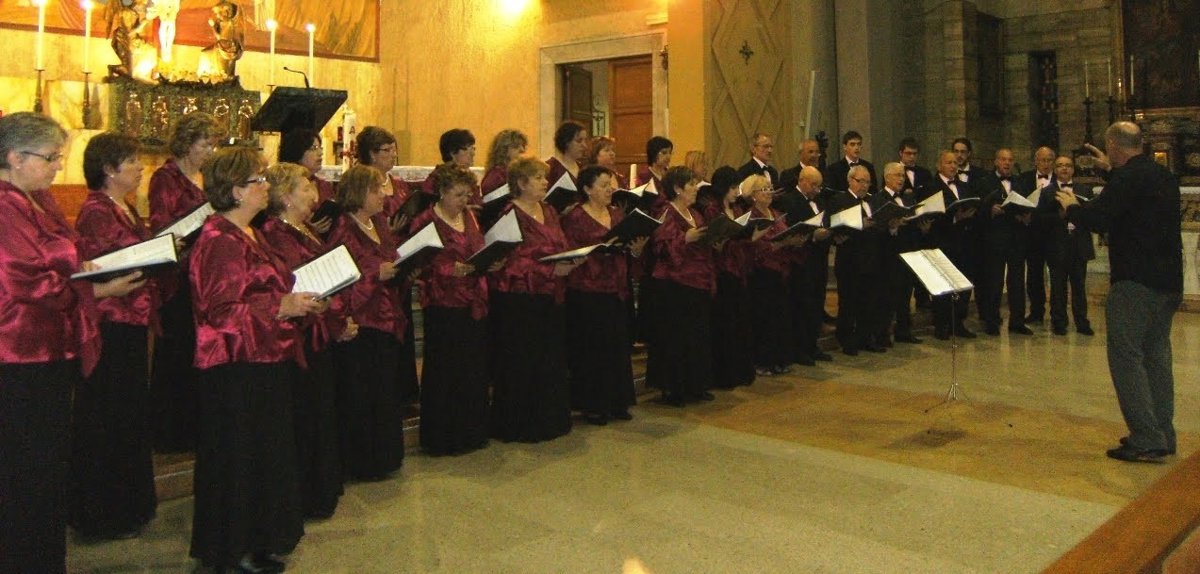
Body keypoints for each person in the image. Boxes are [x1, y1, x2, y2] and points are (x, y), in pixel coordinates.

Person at [0, 113, 145, 573]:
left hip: (51, 347)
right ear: (14, 157)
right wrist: (96, 291)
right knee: (26, 468)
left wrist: (85, 272)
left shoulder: (36, 199)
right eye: (49, 158)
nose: (58, 167)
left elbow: (66, 253)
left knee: (45, 467)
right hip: (21, 353)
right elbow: (21, 280)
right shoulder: (4, 206)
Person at [188, 146, 325, 573]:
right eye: (258, 180)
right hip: (234, 365)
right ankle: (234, 548)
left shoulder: (250, 232)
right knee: (239, 456)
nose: (266, 187)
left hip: (265, 356)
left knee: (265, 454)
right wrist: (282, 306)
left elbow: (268, 288)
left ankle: (261, 538)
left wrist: (299, 300)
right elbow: (221, 312)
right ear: (235, 190)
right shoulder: (218, 239)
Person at [1056, 121, 1182, 463]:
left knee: (1126, 358)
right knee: (1156, 357)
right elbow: (1134, 199)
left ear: (1113, 146)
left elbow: (1100, 218)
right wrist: (1111, 172)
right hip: (1168, 283)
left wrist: (1071, 206)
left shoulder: (1126, 179)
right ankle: (1163, 433)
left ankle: (1146, 437)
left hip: (1135, 282)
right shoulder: (1162, 175)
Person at [69, 133, 159, 541]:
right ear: (108, 169)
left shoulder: (124, 206)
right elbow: (92, 271)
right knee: (107, 416)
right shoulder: (96, 211)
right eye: (132, 161)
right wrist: (110, 287)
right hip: (109, 323)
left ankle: (129, 506)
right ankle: (101, 513)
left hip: (132, 319)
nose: (140, 167)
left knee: (129, 413)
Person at [260, 162, 357, 519]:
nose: (313, 194)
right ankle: (305, 493)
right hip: (298, 338)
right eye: (305, 188)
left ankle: (321, 487)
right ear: (285, 197)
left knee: (320, 411)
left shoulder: (303, 228)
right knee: (304, 413)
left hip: (317, 330)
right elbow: (290, 283)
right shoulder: (276, 234)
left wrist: (336, 312)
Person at [327, 165, 410, 479]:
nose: (383, 195)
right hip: (362, 319)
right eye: (375, 190)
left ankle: (385, 457)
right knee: (362, 394)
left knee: (384, 391)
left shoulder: (380, 222)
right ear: (359, 193)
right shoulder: (343, 230)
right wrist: (376, 274)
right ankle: (362, 462)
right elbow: (340, 278)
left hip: (386, 314)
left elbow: (391, 255)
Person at [488, 157, 580, 442]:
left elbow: (561, 243)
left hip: (550, 295)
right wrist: (551, 269)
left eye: (544, 177)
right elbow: (510, 262)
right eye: (538, 178)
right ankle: (520, 424)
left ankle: (549, 419)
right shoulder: (509, 215)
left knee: (549, 359)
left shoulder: (549, 210)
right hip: (520, 299)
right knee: (522, 361)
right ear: (521, 183)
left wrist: (571, 259)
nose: (544, 182)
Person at [148, 111, 219, 452]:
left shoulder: (206, 177)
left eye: (213, 145)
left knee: (198, 349)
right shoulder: (166, 178)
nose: (210, 151)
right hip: (178, 277)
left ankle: (196, 424)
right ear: (187, 144)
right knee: (177, 351)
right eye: (205, 144)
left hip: (205, 273)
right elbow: (162, 227)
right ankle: (171, 431)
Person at [412, 164, 494, 455]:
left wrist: (489, 260)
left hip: (473, 301)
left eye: (467, 194)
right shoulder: (426, 221)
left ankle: (472, 431)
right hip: (443, 304)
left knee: (472, 369)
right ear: (442, 192)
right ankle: (444, 437)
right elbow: (418, 264)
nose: (464, 200)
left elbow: (478, 247)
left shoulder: (469, 216)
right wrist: (450, 269)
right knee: (446, 371)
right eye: (458, 195)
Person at [561, 165, 646, 425]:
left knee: (616, 347)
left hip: (616, 288)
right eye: (603, 185)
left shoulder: (617, 214)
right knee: (592, 350)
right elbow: (569, 252)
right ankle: (593, 405)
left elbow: (628, 248)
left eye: (610, 184)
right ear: (587, 189)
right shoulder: (575, 217)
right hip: (587, 289)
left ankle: (617, 401)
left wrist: (636, 249)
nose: (610, 189)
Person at [354, 126, 421, 406]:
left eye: (394, 149)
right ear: (371, 154)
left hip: (401, 256)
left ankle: (405, 389)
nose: (393, 154)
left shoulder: (399, 183)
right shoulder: (360, 183)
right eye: (386, 150)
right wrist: (389, 231)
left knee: (402, 324)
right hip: (378, 262)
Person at [647, 166, 716, 406]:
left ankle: (695, 384)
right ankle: (673, 387)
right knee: (676, 338)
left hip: (697, 280)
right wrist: (686, 238)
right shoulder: (666, 212)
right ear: (677, 188)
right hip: (674, 284)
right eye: (691, 184)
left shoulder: (695, 214)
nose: (696, 188)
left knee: (696, 336)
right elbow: (661, 248)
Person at [703, 166, 757, 386]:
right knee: (725, 323)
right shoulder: (712, 210)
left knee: (740, 322)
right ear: (723, 187)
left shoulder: (738, 209)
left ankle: (740, 369)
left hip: (738, 268)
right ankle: (724, 373)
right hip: (722, 271)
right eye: (733, 187)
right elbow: (712, 240)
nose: (737, 192)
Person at [774, 166, 834, 364]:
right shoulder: (789, 200)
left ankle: (812, 345)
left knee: (817, 301)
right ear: (803, 181)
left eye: (819, 185)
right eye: (814, 185)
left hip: (819, 258)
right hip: (801, 260)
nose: (817, 189)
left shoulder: (820, 200)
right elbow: (789, 228)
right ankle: (799, 349)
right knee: (802, 304)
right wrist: (812, 236)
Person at [744, 174, 803, 374]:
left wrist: (795, 240)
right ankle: (763, 361)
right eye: (764, 189)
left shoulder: (776, 213)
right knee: (764, 318)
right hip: (762, 273)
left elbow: (784, 234)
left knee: (780, 316)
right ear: (753, 195)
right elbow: (754, 247)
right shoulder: (751, 217)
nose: (769, 193)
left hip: (781, 270)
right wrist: (782, 243)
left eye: (770, 189)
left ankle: (780, 359)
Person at [831, 165, 890, 354]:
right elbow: (835, 227)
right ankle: (846, 340)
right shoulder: (840, 200)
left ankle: (866, 338)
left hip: (872, 258)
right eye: (860, 181)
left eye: (867, 182)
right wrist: (859, 225)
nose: (864, 185)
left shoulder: (873, 200)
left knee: (869, 302)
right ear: (850, 180)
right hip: (850, 260)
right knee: (849, 302)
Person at [975, 148, 1034, 336]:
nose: (1007, 163)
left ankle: (1017, 321)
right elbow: (977, 208)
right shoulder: (985, 182)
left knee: (1017, 281)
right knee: (994, 281)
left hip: (1016, 237)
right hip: (994, 238)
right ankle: (991, 321)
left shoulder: (1020, 182)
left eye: (1010, 160)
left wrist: (1026, 215)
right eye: (1003, 159)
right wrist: (990, 210)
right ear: (996, 162)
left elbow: (1027, 203)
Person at [873, 162, 929, 345]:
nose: (901, 179)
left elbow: (913, 223)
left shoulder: (908, 199)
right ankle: (882, 334)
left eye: (903, 176)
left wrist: (923, 228)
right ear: (887, 177)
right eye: (897, 175)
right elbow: (876, 228)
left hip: (907, 252)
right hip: (888, 255)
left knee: (905, 294)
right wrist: (892, 227)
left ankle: (904, 330)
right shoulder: (878, 199)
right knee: (887, 296)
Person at [927, 150, 980, 340]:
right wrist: (955, 218)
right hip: (943, 242)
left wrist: (968, 215)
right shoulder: (932, 187)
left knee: (962, 284)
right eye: (948, 162)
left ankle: (958, 322)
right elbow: (932, 216)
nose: (953, 166)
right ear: (939, 165)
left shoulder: (965, 186)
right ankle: (941, 324)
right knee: (943, 285)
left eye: (955, 163)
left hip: (964, 242)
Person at [1039, 156, 1094, 336]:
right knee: (1058, 287)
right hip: (1057, 245)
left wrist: (1077, 210)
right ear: (1055, 169)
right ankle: (1059, 321)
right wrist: (1059, 216)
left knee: (1079, 286)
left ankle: (1082, 322)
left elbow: (1091, 217)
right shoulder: (1047, 192)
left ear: (1073, 169)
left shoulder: (1084, 190)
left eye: (1068, 166)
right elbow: (1040, 219)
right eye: (1060, 166)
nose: (1064, 169)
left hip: (1078, 244)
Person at [1018, 146, 1057, 325]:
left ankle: (1058, 314)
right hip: (1031, 234)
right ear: (1036, 161)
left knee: (1057, 276)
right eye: (1043, 160)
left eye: (1049, 160)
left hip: (1054, 234)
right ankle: (1036, 311)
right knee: (1034, 275)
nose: (1046, 164)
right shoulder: (1024, 178)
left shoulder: (1059, 180)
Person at [277, 128, 335, 234]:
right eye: (313, 148)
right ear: (297, 152)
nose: (320, 153)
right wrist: (306, 228)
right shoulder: (284, 185)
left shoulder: (324, 185)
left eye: (320, 148)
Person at [421, 128, 479, 203]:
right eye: (467, 149)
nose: (473, 153)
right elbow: (428, 205)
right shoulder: (436, 178)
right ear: (452, 152)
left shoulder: (468, 177)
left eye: (473, 148)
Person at [545, 121, 589, 212]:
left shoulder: (584, 168)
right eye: (579, 141)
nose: (585, 146)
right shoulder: (550, 167)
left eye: (585, 141)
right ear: (566, 141)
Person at [480, 128, 528, 195]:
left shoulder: (519, 173)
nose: (522, 150)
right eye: (516, 146)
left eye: (523, 146)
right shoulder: (496, 177)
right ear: (503, 150)